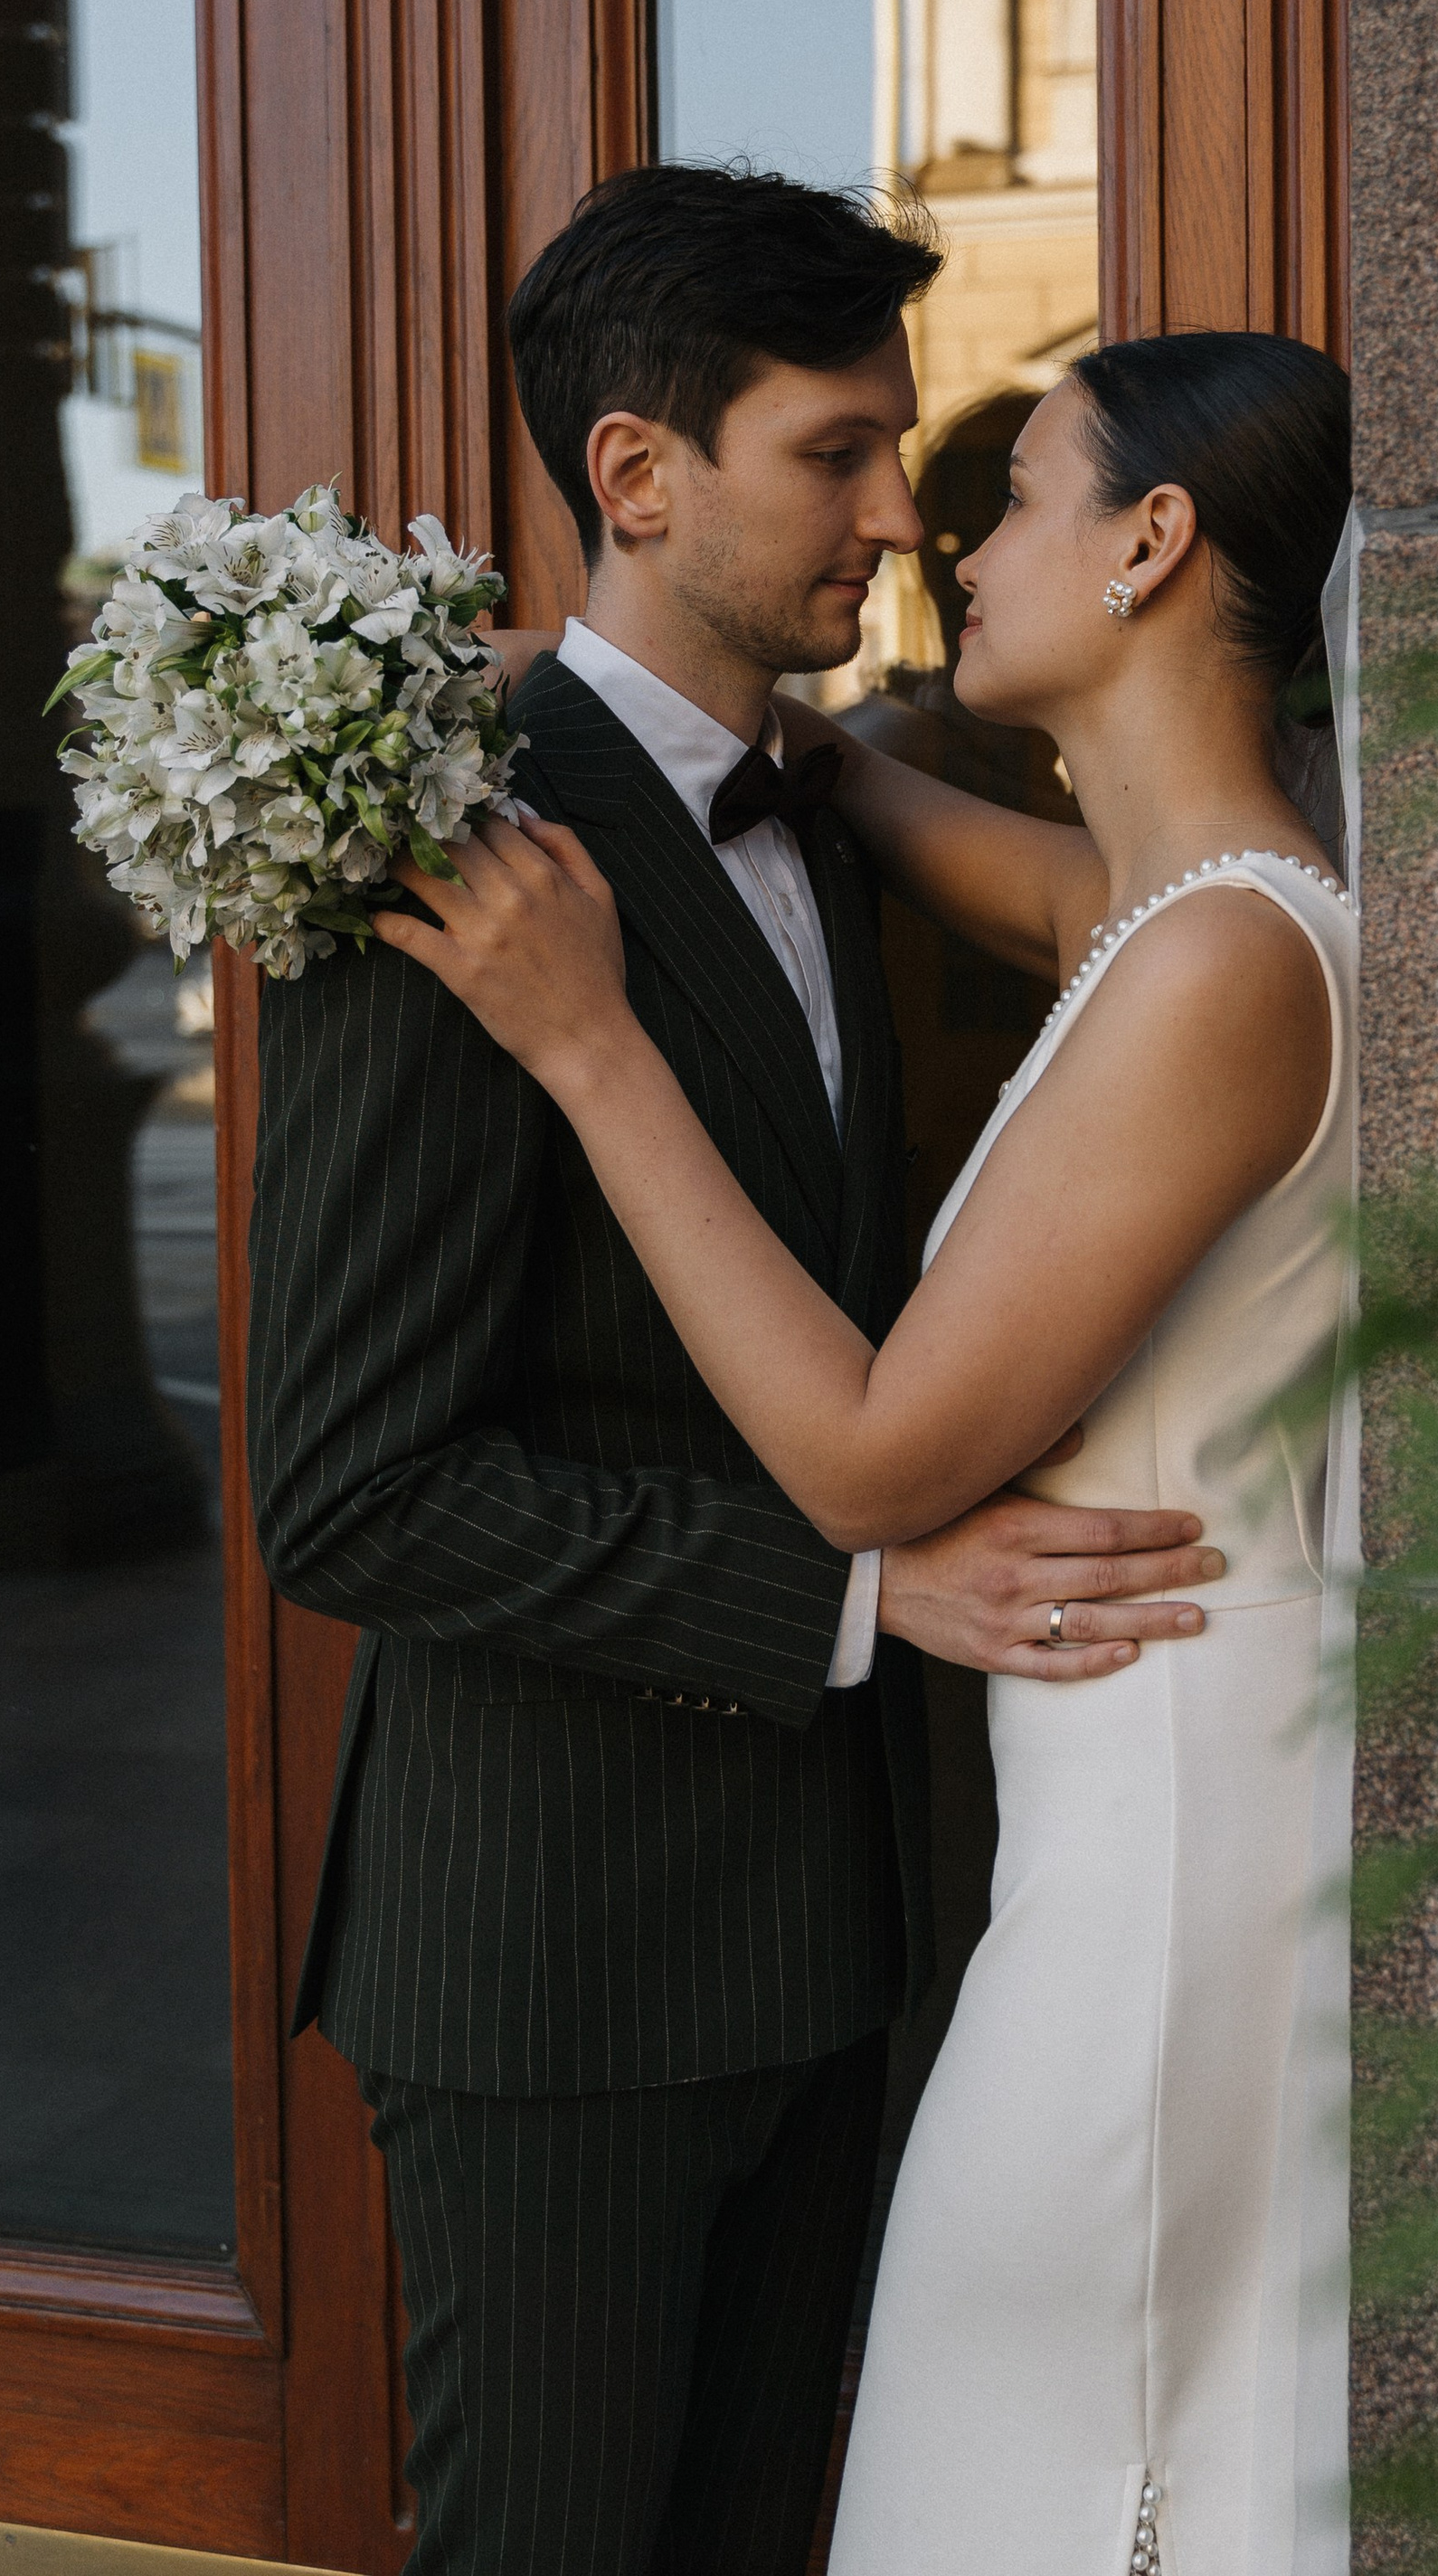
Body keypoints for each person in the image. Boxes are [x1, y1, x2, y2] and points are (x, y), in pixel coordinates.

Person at [243, 164, 1226, 2576]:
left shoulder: (850, 798)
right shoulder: (445, 854)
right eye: (841, 450)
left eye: (908, 450)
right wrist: (872, 1591)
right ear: (637, 477)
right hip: (562, 1958)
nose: (905, 510)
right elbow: (352, 1490)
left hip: (851, 1931)